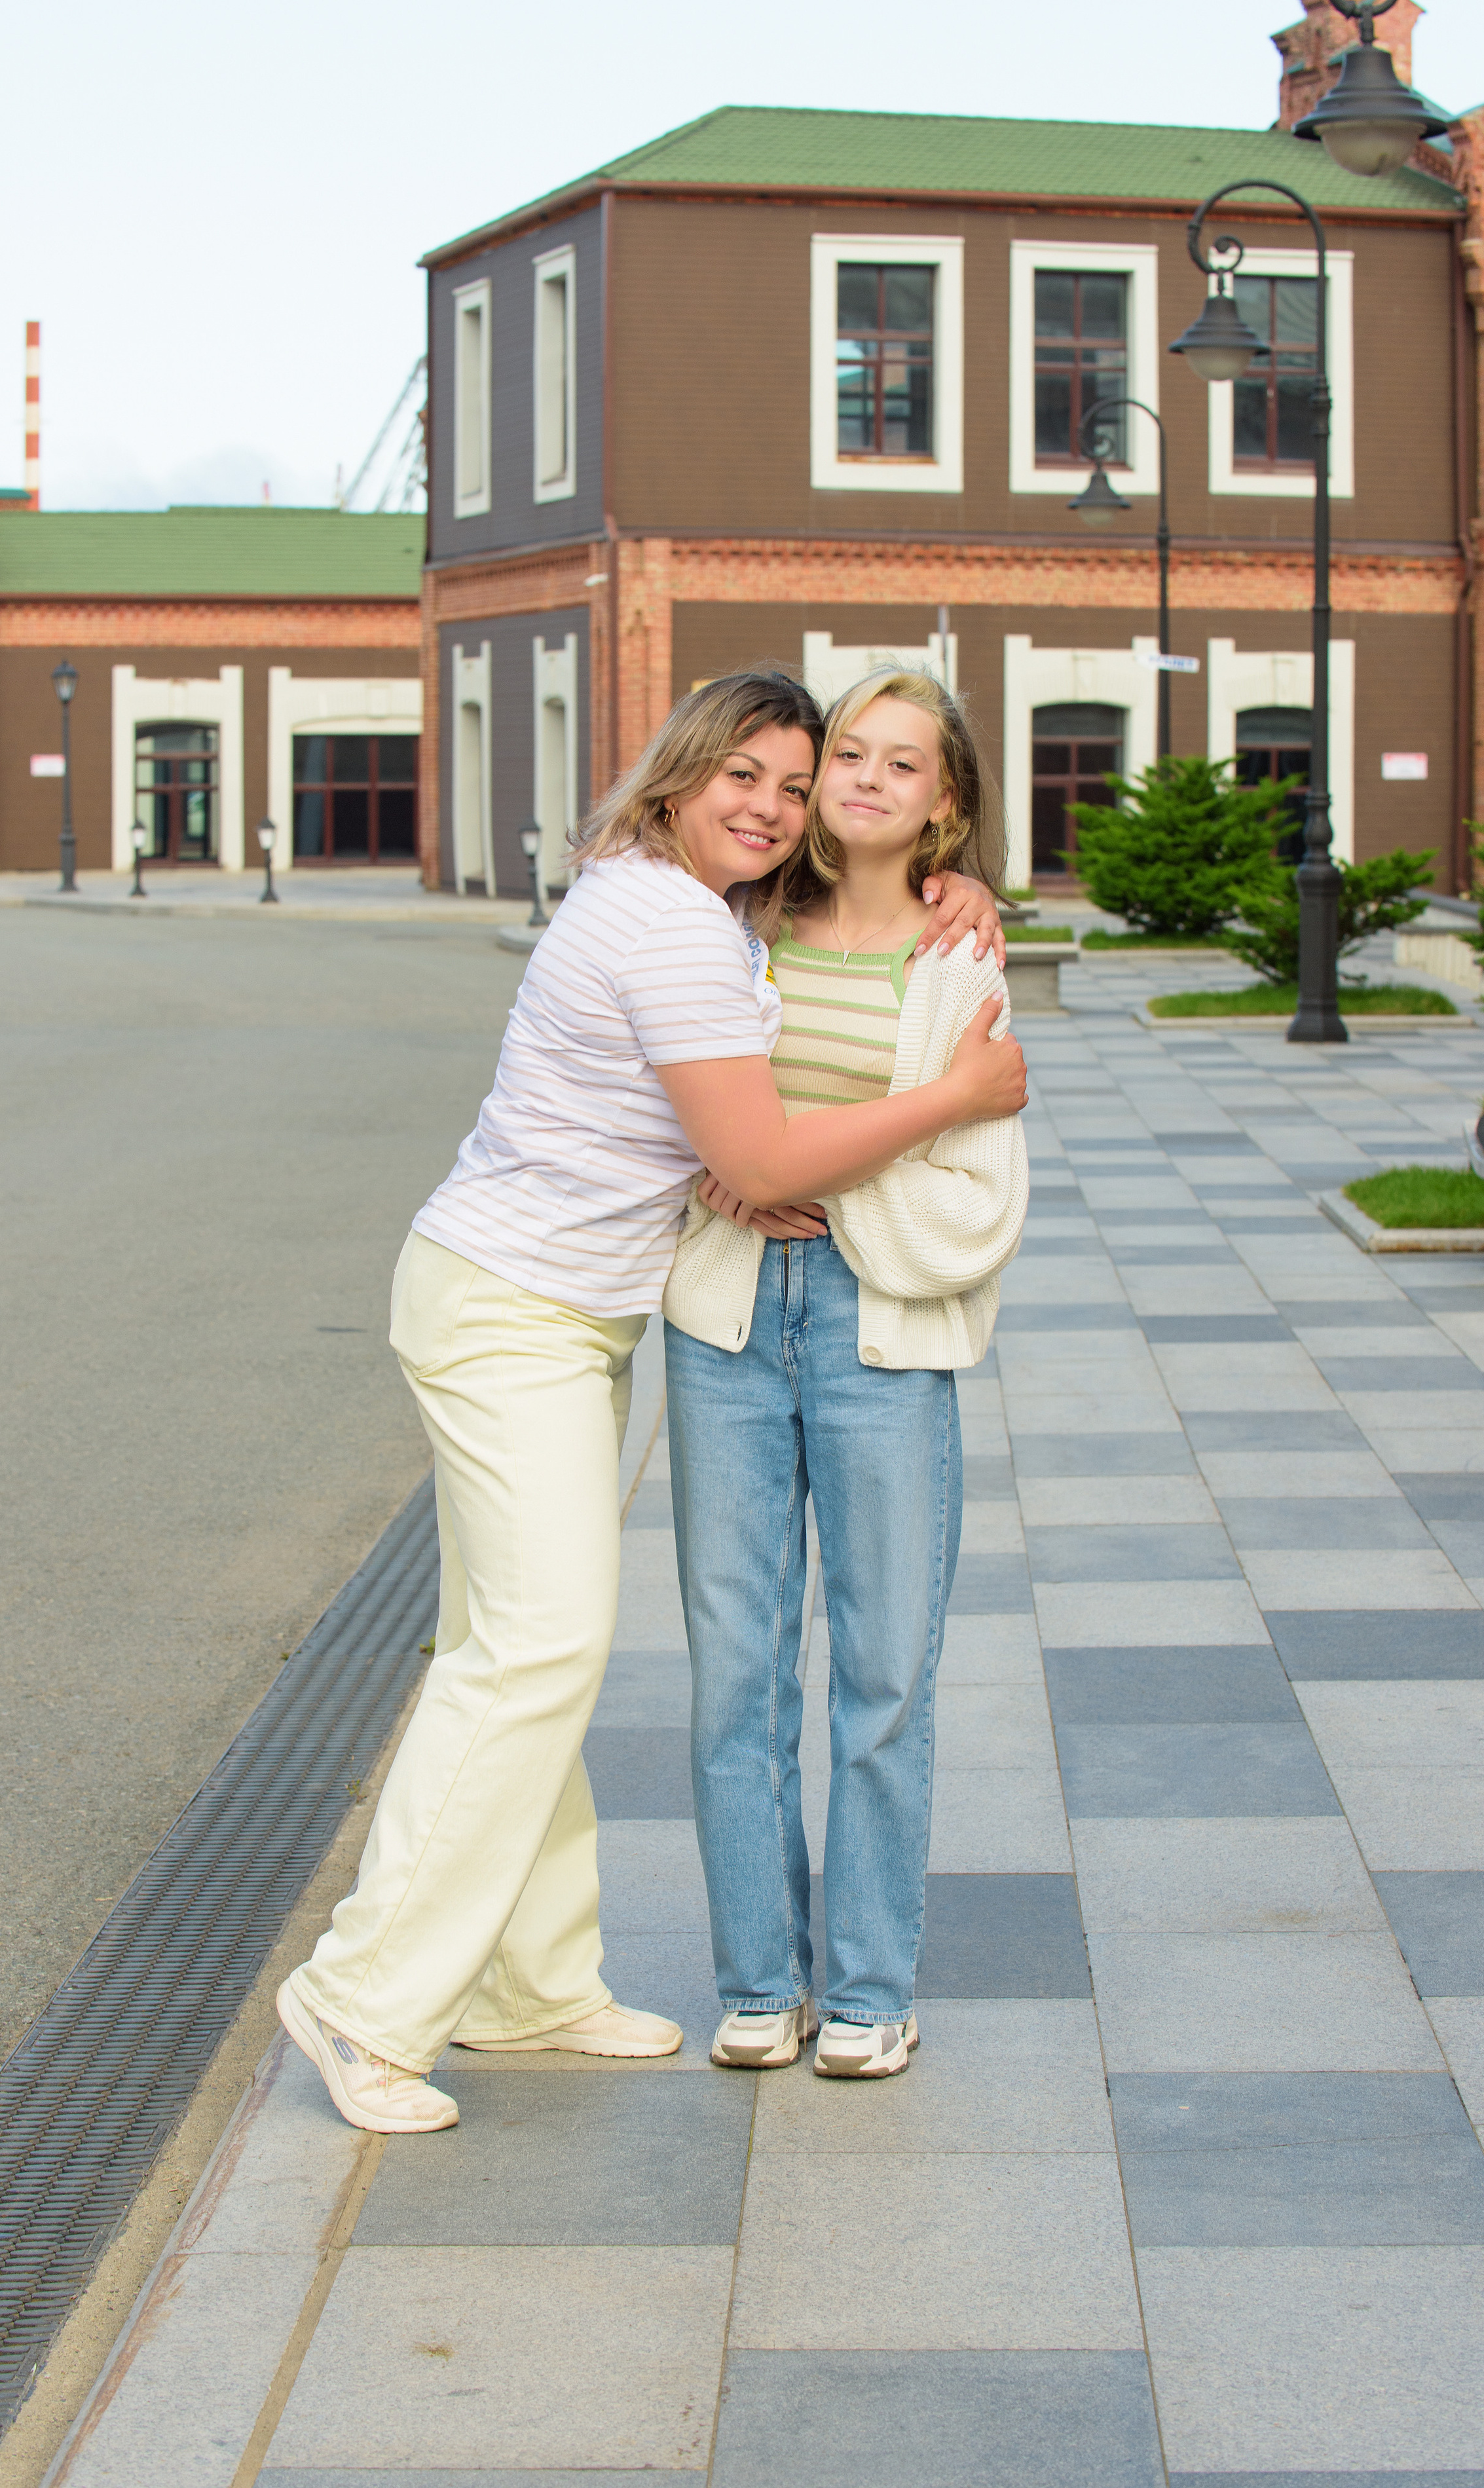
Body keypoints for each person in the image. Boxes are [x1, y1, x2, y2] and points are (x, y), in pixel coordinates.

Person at [276, 669, 1022, 2134]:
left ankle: (527, 1981)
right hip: (519, 1311)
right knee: (543, 1643)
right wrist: (958, 1095)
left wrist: (962, 893)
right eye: (743, 775)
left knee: (509, 1639)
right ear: (677, 774)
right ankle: (363, 1994)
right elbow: (752, 1163)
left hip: (556, 1306)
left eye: (793, 786)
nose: (773, 803)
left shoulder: (676, 895)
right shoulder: (677, 923)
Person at [663, 668, 1030, 2080]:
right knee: (733, 1671)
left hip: (881, 1333)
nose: (865, 780)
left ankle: (869, 1987)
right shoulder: (736, 927)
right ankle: (760, 1979)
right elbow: (667, 1101)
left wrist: (813, 1187)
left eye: (901, 763)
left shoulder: (960, 968)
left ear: (945, 800)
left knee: (883, 1673)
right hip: (730, 1324)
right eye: (847, 756)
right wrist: (731, 1180)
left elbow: (972, 1202)